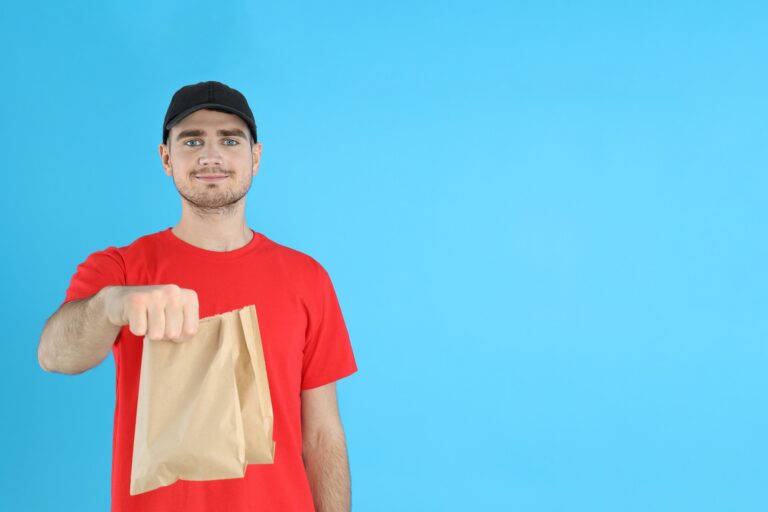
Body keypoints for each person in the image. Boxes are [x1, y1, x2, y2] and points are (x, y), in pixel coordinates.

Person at [37, 80, 358, 512]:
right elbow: (55, 355)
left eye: (229, 139)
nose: (211, 156)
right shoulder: (121, 269)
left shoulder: (307, 278)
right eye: (192, 141)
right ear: (166, 158)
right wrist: (112, 305)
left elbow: (323, 434)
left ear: (255, 158)